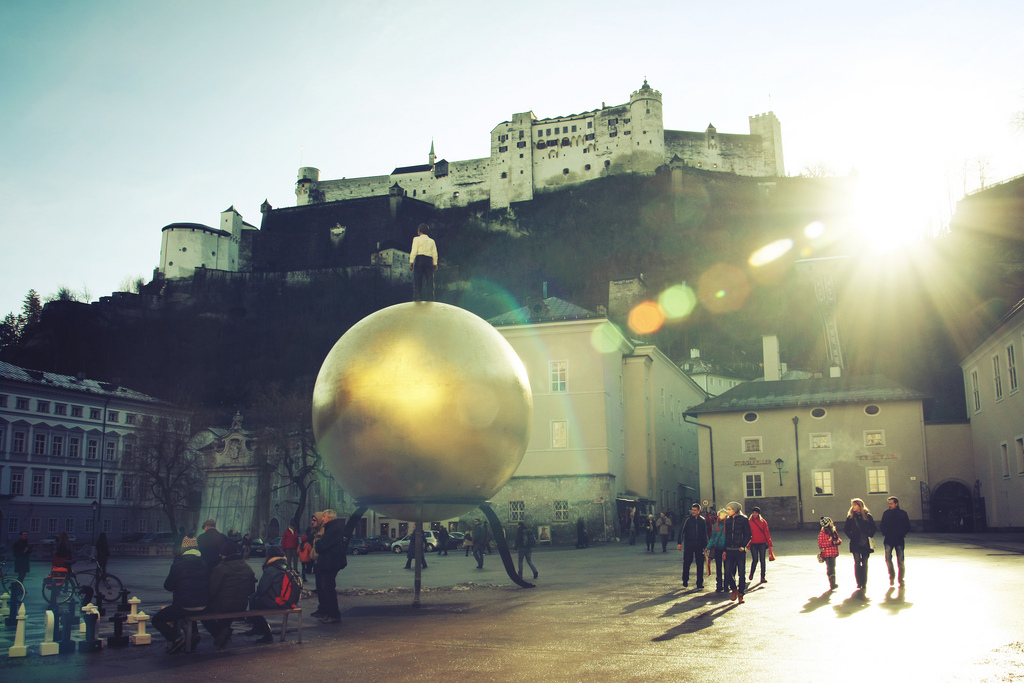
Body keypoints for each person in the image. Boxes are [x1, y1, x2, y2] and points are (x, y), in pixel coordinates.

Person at [153, 547, 208, 654]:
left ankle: (176, 639)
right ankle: (194, 634)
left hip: (184, 606)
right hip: (203, 606)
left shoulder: (178, 567)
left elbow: (168, 586)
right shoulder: (205, 566)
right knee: (191, 605)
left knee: (157, 620)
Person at [202, 539, 256, 648]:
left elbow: (212, 591)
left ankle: (218, 633)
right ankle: (224, 631)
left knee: (202, 611)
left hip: (223, 605)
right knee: (229, 606)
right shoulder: (248, 568)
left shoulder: (220, 568)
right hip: (242, 605)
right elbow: (251, 591)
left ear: (224, 555)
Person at [243, 548, 300, 644]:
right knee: (254, 599)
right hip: (289, 601)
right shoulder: (286, 566)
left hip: (278, 602)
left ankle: (266, 633)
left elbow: (261, 589)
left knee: (253, 601)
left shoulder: (271, 568)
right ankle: (257, 628)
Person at [313, 509, 347, 624]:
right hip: (329, 562)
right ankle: (329, 613)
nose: (322, 519)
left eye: (324, 517)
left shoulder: (333, 530)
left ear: (330, 518)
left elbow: (321, 546)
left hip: (330, 563)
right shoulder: (332, 529)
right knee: (327, 589)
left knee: (328, 590)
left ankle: (334, 614)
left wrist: (318, 542)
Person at [844, 498, 876, 591]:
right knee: (857, 562)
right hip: (855, 542)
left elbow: (873, 527)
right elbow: (846, 529)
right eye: (852, 505)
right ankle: (859, 582)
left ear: (860, 506)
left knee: (865, 563)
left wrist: (869, 536)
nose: (853, 507)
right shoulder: (851, 517)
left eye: (855, 505)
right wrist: (852, 536)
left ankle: (864, 582)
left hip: (865, 543)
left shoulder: (867, 516)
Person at [722, 501, 751, 603]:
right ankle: (734, 589)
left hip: (739, 551)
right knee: (727, 572)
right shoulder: (728, 521)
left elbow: (748, 534)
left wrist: (743, 545)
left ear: (735, 510)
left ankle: (741, 594)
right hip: (729, 550)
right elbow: (726, 536)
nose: (728, 511)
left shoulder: (744, 520)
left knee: (741, 573)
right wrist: (724, 550)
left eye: (729, 509)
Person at [879, 496, 912, 587]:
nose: (890, 505)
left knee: (900, 561)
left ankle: (901, 579)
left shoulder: (902, 514)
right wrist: (885, 532)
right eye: (889, 504)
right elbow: (882, 525)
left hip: (899, 539)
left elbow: (907, 526)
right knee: (888, 559)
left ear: (896, 504)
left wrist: (902, 533)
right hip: (889, 539)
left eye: (891, 503)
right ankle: (892, 576)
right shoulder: (886, 513)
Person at [676, 503, 709, 589]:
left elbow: (705, 534)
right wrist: (679, 543)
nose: (693, 512)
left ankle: (699, 583)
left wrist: (707, 546)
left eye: (695, 510)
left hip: (699, 545)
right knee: (687, 562)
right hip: (689, 544)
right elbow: (681, 530)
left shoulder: (702, 520)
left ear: (699, 511)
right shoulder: (687, 519)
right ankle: (685, 580)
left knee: (700, 564)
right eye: (692, 510)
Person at [409, 223, 438, 302]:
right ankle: (431, 297)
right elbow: (434, 253)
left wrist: (411, 262)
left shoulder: (416, 239)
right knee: (429, 280)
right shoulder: (432, 241)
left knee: (418, 279)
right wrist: (435, 263)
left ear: (419, 231)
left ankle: (417, 297)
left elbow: (414, 251)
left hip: (420, 259)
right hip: (429, 260)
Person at [747, 507, 773, 584]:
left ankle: (763, 577)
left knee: (762, 560)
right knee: (755, 560)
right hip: (753, 543)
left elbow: (766, 533)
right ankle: (751, 573)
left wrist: (769, 543)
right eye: (753, 512)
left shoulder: (763, 522)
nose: (754, 514)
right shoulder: (749, 522)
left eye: (756, 513)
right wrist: (748, 544)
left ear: (759, 513)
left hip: (762, 543)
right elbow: (748, 534)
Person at [705, 510, 728, 592]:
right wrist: (708, 546)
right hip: (718, 548)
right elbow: (713, 537)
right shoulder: (716, 525)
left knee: (727, 567)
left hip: (727, 549)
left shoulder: (728, 524)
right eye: (720, 515)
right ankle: (719, 584)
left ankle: (726, 584)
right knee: (718, 567)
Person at [818, 516, 842, 591]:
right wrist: (831, 542)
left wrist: (838, 542)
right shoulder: (822, 533)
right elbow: (821, 543)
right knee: (830, 567)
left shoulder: (834, 531)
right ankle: (832, 582)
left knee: (832, 566)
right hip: (827, 553)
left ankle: (832, 581)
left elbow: (838, 539)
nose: (832, 522)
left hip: (833, 552)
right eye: (831, 521)